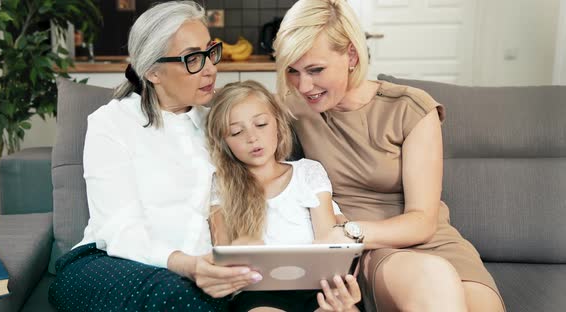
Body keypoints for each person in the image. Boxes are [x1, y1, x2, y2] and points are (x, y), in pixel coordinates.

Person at [273, 0, 506, 311]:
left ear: (351, 55)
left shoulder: (411, 108)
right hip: (376, 254)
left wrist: (345, 232)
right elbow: (230, 120)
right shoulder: (293, 108)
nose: (303, 85)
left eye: (316, 70)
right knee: (432, 280)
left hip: (427, 241)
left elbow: (423, 221)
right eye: (292, 71)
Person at [48, 2, 262, 311]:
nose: (211, 68)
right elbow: (120, 228)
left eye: (210, 52)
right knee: (179, 296)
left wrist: (225, 264)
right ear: (151, 71)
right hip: (109, 262)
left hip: (198, 273)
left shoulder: (221, 123)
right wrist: (188, 265)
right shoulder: (111, 123)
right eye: (192, 58)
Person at [205, 80, 361, 312]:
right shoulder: (221, 184)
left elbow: (329, 248)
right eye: (236, 132)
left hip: (317, 290)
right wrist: (240, 247)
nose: (252, 138)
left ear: (277, 124)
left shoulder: (307, 172)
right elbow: (223, 252)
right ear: (224, 142)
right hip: (259, 295)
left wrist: (340, 291)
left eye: (261, 124)